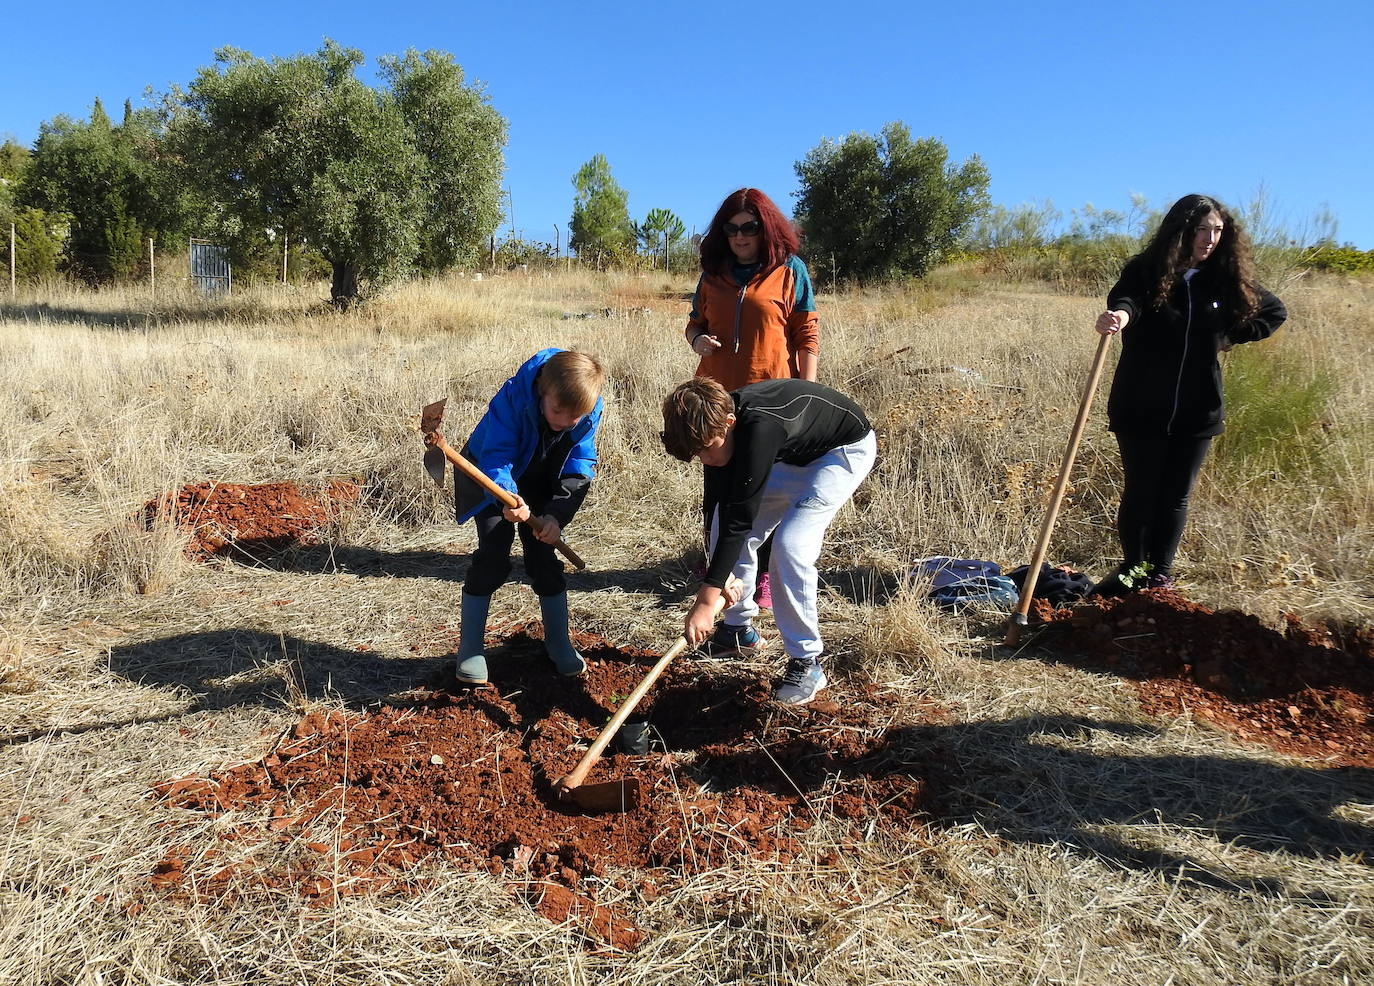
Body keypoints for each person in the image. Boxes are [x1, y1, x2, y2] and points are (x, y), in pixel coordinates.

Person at [1092, 194, 1287, 595]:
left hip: (1199, 409)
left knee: (1176, 496)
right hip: (1140, 404)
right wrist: (1119, 318)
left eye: (1217, 230)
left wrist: (1232, 335)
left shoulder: (1224, 279)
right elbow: (1128, 301)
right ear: (1180, 230)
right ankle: (1133, 571)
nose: (1209, 238)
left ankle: (1159, 576)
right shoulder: (1146, 271)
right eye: (1201, 229)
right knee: (1142, 491)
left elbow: (1274, 311)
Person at [661, 376, 877, 706]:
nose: (704, 459)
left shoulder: (760, 428)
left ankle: (807, 661)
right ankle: (737, 633)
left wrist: (706, 601)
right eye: (696, 453)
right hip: (790, 455)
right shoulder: (714, 428)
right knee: (721, 525)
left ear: (729, 423)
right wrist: (721, 576)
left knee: (790, 546)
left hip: (839, 453)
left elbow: (741, 518)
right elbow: (717, 505)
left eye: (706, 449)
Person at [683, 187, 820, 608]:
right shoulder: (714, 273)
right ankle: (717, 568)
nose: (740, 236)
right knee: (718, 484)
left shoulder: (790, 270)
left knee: (766, 489)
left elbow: (806, 335)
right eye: (731, 229)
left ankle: (762, 574)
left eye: (749, 228)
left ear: (767, 228)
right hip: (718, 398)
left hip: (773, 399)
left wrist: (807, 393)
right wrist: (697, 340)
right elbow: (694, 323)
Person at [453, 348, 606, 684]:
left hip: (541, 480)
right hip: (491, 477)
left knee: (543, 558)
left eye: (573, 417)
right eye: (557, 411)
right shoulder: (513, 399)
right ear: (541, 391)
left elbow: (580, 465)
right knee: (493, 556)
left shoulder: (587, 410)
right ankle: (470, 649)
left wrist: (554, 517)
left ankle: (558, 642)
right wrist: (507, 497)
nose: (563, 421)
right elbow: (496, 457)